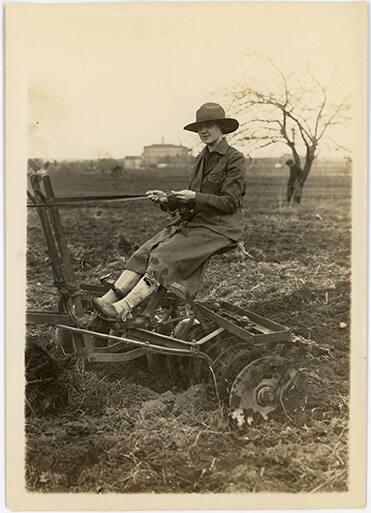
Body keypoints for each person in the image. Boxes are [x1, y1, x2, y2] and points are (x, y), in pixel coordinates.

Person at [93, 102, 246, 321]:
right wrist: (168, 200)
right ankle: (108, 300)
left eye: (209, 125)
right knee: (143, 252)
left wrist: (195, 197)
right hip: (194, 222)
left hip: (220, 227)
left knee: (162, 256)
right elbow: (191, 200)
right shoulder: (198, 160)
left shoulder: (235, 158)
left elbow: (230, 202)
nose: (203, 130)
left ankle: (123, 308)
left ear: (221, 128)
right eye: (200, 126)